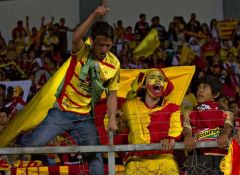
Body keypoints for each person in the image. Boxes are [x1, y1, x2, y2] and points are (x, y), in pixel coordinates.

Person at [18, 5, 120, 175]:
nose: (104, 49)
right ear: (92, 41)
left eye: (108, 46)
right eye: (101, 45)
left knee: (95, 156)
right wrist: (94, 14)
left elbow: (112, 94)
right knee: (32, 145)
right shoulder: (81, 50)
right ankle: (19, 140)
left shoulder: (114, 64)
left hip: (84, 117)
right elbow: (76, 36)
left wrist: (112, 119)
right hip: (62, 112)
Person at [122, 68, 183, 175]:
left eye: (161, 79)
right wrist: (134, 89)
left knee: (171, 165)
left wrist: (171, 138)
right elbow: (116, 122)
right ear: (144, 85)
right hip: (136, 160)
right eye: (152, 77)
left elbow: (176, 127)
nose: (157, 81)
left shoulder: (173, 108)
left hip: (164, 159)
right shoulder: (130, 105)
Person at [183, 75, 234, 175]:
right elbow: (186, 128)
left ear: (215, 94)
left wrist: (224, 135)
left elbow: (228, 126)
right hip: (198, 158)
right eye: (198, 88)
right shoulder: (188, 112)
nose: (200, 91)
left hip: (221, 157)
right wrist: (188, 137)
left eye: (205, 87)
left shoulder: (227, 112)